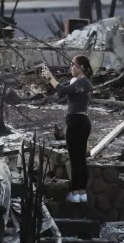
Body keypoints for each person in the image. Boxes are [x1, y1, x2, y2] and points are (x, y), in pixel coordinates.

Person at [42, 56, 93, 203]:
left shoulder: (81, 81)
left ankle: (76, 192)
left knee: (76, 159)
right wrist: (51, 79)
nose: (71, 68)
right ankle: (81, 192)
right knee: (80, 158)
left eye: (73, 65)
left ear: (82, 67)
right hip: (81, 121)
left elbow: (62, 91)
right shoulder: (82, 82)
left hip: (76, 122)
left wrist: (50, 77)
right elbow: (61, 88)